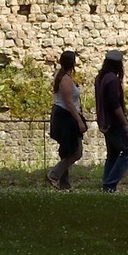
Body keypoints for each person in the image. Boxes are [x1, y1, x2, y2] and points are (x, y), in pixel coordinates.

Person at [95, 49, 128, 192]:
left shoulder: (100, 77)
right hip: (114, 123)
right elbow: (115, 105)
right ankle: (109, 184)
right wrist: (125, 124)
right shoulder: (112, 79)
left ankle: (107, 184)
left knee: (112, 154)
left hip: (105, 122)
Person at [47, 49, 87, 188]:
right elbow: (69, 102)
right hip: (66, 117)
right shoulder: (65, 79)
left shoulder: (63, 77)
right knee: (76, 151)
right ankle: (54, 174)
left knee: (67, 150)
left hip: (65, 115)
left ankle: (65, 184)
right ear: (73, 63)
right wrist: (79, 121)